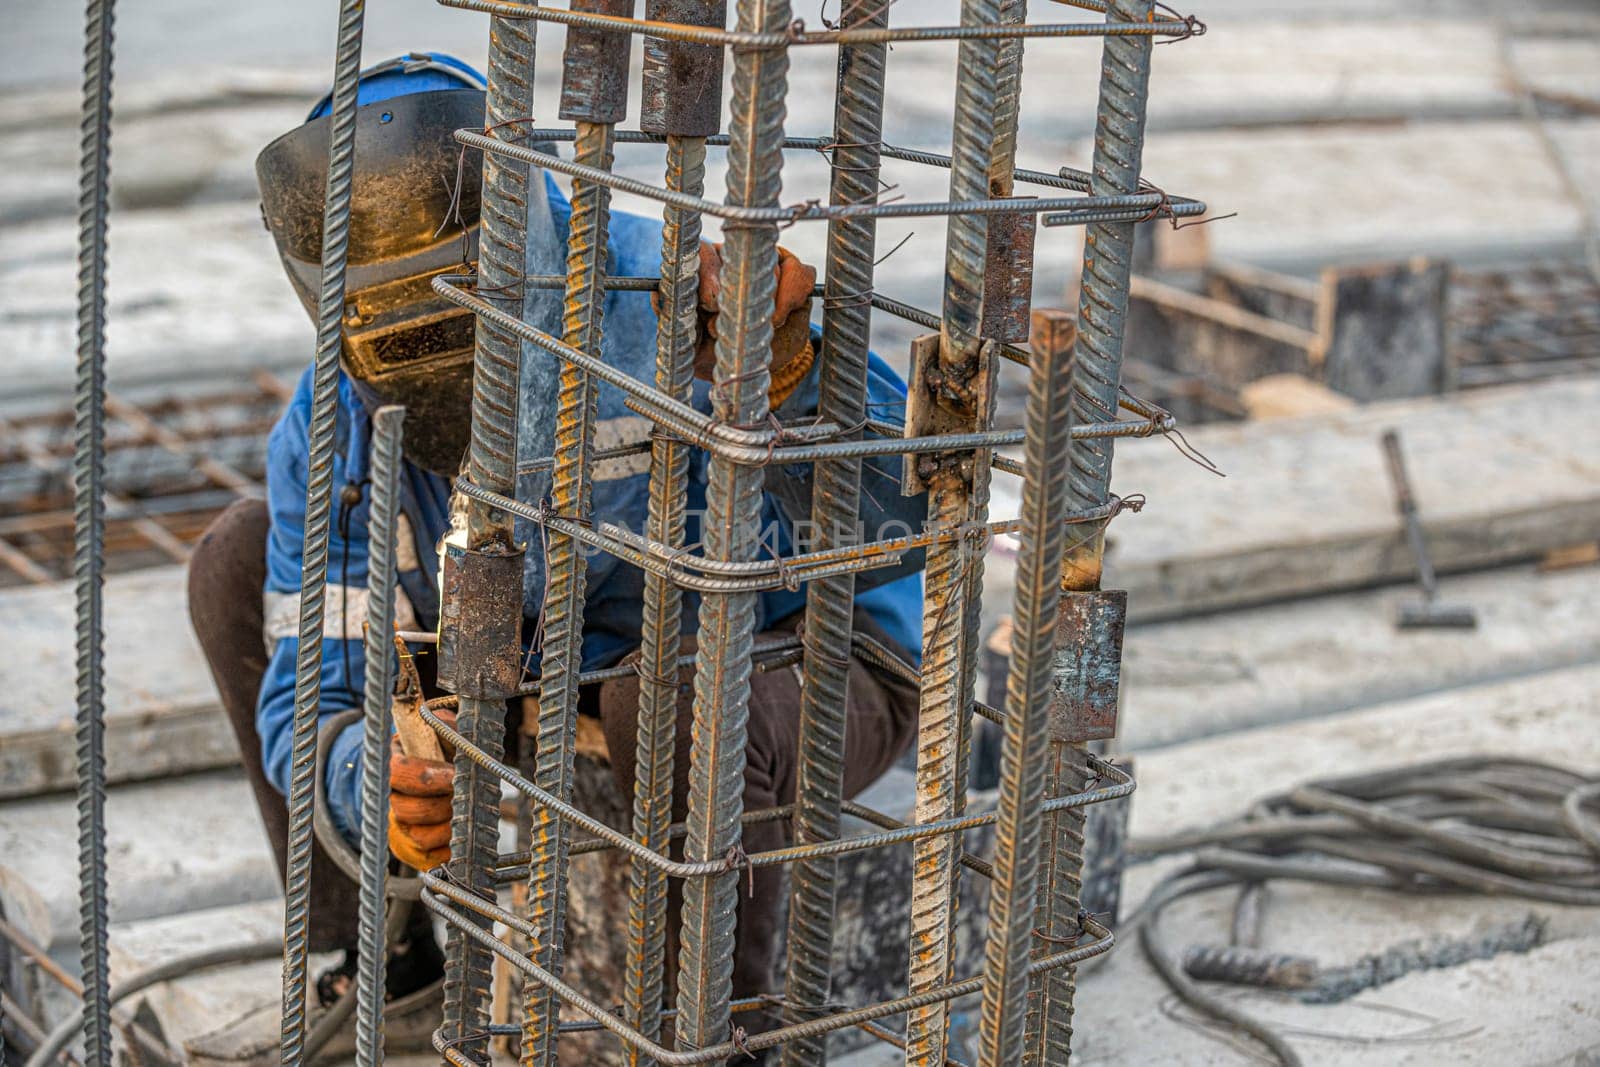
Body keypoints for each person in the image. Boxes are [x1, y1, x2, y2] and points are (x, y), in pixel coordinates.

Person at [187, 51, 925, 1047]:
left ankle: (728, 1032)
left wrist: (786, 378)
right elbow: (304, 689)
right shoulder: (336, 424)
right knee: (235, 558)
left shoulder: (674, 299)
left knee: (669, 691)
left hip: (790, 660)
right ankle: (386, 969)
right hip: (540, 658)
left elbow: (885, 541)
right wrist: (370, 781)